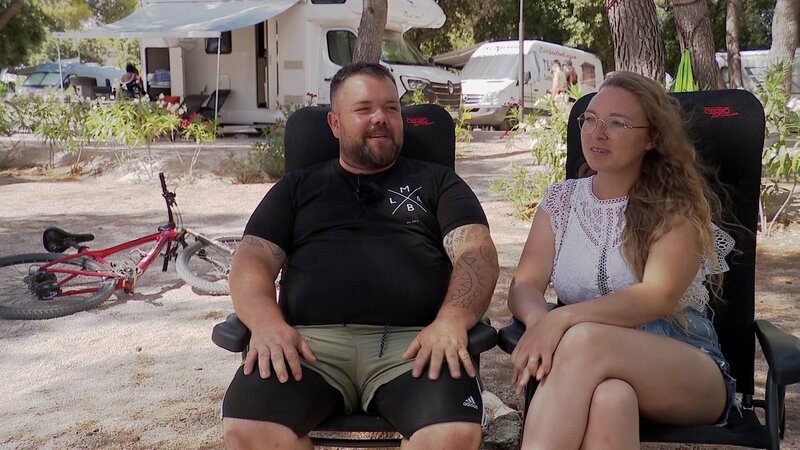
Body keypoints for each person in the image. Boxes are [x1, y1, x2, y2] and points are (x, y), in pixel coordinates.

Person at [221, 62, 500, 450]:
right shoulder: (298, 187)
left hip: (417, 344)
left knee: (451, 434)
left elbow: (477, 254)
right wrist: (266, 324)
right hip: (307, 346)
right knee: (250, 429)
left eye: (391, 108)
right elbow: (252, 260)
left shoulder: (438, 182)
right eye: (364, 109)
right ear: (335, 124)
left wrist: (452, 321)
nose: (380, 118)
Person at [508, 71, 736, 449]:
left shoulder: (674, 208)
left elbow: (656, 297)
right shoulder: (561, 201)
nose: (598, 133)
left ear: (651, 138)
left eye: (617, 123)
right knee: (610, 399)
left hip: (686, 367)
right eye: (591, 120)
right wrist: (539, 323)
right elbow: (525, 285)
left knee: (583, 340)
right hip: (590, 365)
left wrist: (562, 319)